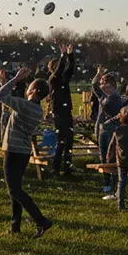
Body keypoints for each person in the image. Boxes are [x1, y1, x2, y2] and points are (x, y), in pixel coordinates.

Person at [0, 67, 53, 238]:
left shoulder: (25, 105)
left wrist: (15, 79)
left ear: (34, 91)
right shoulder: (36, 109)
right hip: (23, 152)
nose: (27, 86)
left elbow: (0, 96)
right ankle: (15, 227)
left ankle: (41, 220)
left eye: (30, 85)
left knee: (14, 190)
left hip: (13, 150)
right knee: (16, 189)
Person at [93, 69, 123, 197]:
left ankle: (113, 183)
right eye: (102, 83)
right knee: (103, 155)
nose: (103, 86)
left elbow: (111, 111)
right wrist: (98, 74)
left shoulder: (115, 97)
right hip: (102, 130)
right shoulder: (103, 96)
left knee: (111, 156)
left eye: (105, 83)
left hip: (112, 130)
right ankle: (106, 183)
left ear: (112, 84)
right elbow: (94, 86)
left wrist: (104, 96)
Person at [49, 44, 75, 176]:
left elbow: (70, 69)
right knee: (61, 142)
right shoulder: (53, 80)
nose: (62, 67)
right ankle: (55, 168)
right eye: (59, 66)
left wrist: (70, 55)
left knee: (69, 141)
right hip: (58, 114)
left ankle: (67, 167)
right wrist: (63, 56)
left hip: (67, 113)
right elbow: (59, 70)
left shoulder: (64, 80)